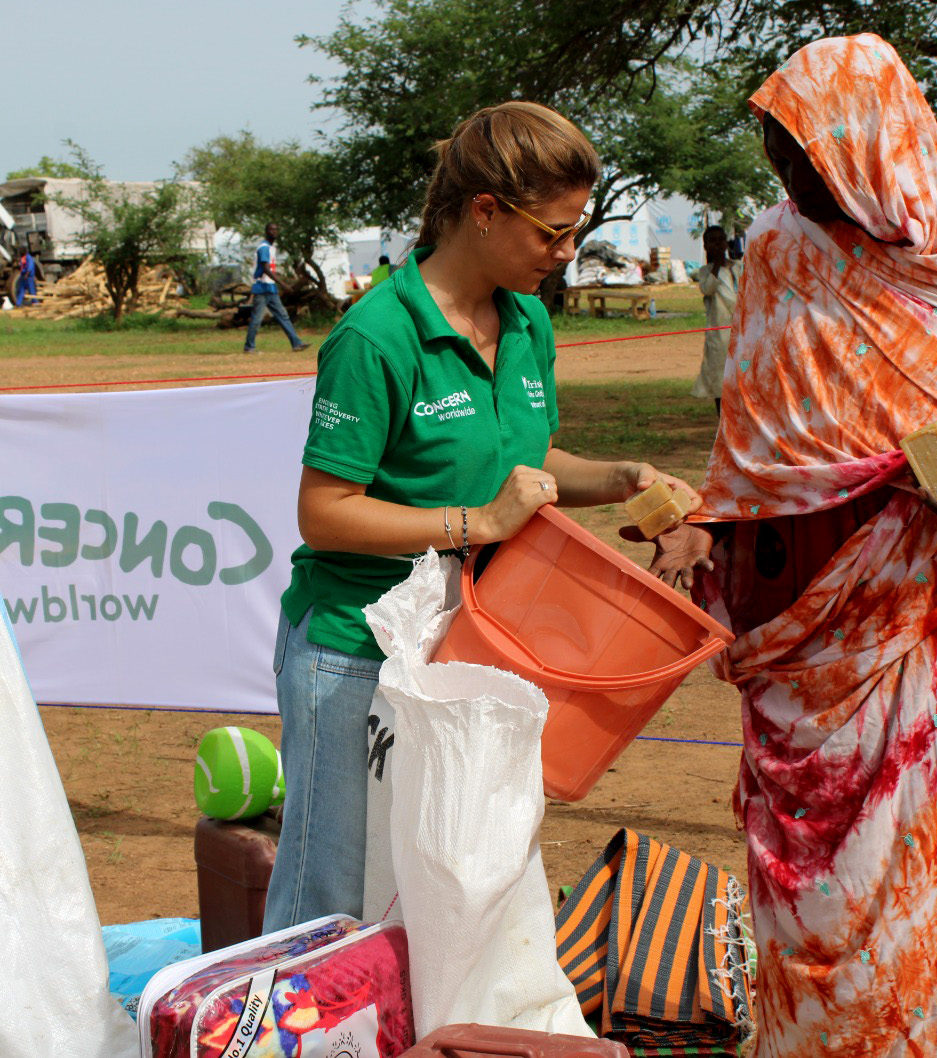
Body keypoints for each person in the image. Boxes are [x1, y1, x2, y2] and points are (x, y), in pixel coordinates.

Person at [646, 35, 937, 1055]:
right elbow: (750, 439)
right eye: (775, 150)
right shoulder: (777, 250)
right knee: (813, 904)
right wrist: (707, 527)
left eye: (804, 150)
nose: (786, 173)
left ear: (868, 141)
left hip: (929, 619)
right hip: (803, 614)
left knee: (917, 870)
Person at [263, 101, 702, 931]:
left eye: (576, 231)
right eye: (554, 232)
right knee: (327, 901)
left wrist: (624, 476)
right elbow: (325, 515)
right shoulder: (377, 337)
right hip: (354, 653)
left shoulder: (527, 318)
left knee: (437, 887)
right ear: (486, 212)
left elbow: (526, 470)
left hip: (467, 651)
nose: (567, 253)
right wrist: (478, 525)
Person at [691, 225, 740, 414]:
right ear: (706, 246)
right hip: (719, 334)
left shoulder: (739, 266)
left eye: (721, 239)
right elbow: (708, 289)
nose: (718, 244)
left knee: (742, 377)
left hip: (741, 331)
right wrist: (718, 264)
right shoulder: (705, 271)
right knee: (721, 379)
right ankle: (723, 422)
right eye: (713, 240)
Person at [243, 222, 312, 354]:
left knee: (283, 315)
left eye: (276, 229)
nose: (274, 232)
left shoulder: (271, 248)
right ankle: (249, 346)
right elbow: (266, 269)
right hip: (262, 287)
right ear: (266, 231)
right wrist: (284, 284)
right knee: (257, 319)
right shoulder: (264, 248)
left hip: (270, 287)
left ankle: (296, 343)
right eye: (271, 229)